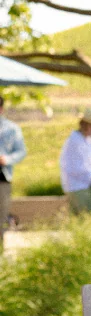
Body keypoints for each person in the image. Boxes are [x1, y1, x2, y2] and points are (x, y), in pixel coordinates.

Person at [59, 110, 91, 213]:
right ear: (88, 125)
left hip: (82, 186)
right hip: (78, 186)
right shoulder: (75, 141)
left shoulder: (84, 140)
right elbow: (78, 168)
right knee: (88, 217)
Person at [0, 95, 27, 250]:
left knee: (2, 215)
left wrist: (7, 159)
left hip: (3, 176)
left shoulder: (11, 128)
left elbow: (21, 151)